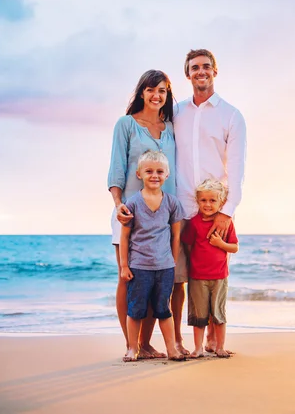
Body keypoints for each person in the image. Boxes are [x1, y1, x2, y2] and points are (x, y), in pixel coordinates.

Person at [173, 49, 247, 353]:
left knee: (214, 278)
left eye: (206, 66)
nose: (200, 71)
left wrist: (227, 212)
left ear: (215, 71)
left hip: (214, 211)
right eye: (194, 67)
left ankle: (216, 342)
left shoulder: (231, 115)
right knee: (179, 280)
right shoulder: (176, 112)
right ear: (187, 74)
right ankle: (177, 340)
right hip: (179, 211)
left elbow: (237, 167)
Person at [107, 70, 176, 358]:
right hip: (129, 214)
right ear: (141, 92)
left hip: (161, 218)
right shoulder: (126, 124)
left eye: (162, 90)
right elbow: (116, 169)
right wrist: (117, 204)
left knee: (157, 281)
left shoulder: (170, 127)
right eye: (150, 89)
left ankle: (146, 344)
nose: (156, 95)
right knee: (129, 278)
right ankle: (131, 344)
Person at [119, 150, 185, 362]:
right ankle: (132, 348)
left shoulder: (172, 203)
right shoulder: (132, 203)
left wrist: (172, 263)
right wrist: (124, 266)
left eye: (159, 171)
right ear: (139, 174)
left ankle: (172, 349)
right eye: (149, 171)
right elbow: (125, 237)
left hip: (164, 267)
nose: (154, 175)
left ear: (167, 175)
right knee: (136, 310)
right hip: (139, 267)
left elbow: (175, 237)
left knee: (163, 310)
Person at [181, 179, 239, 358]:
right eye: (203, 200)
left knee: (218, 314)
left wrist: (221, 244)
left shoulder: (225, 223)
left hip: (220, 276)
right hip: (197, 277)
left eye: (212, 200)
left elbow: (234, 247)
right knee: (199, 316)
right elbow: (188, 246)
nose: (207, 204)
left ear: (221, 202)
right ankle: (198, 348)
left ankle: (219, 346)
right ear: (197, 201)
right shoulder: (194, 223)